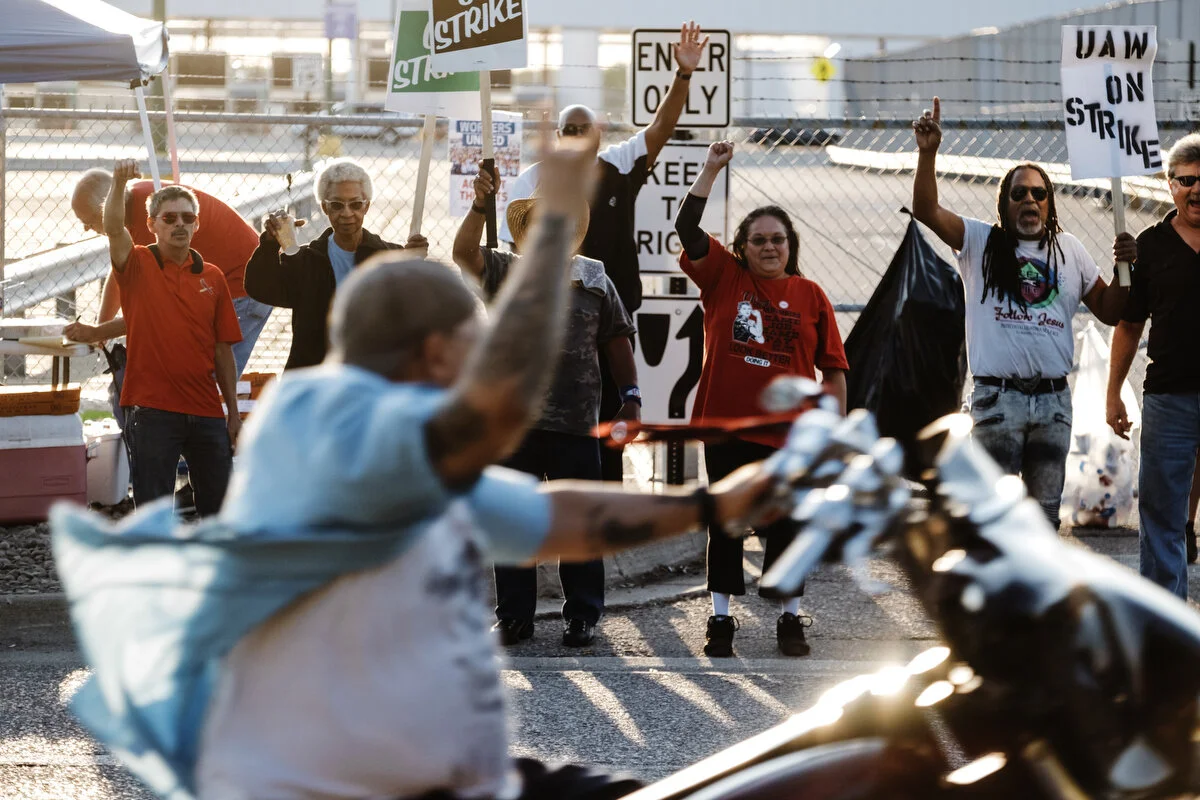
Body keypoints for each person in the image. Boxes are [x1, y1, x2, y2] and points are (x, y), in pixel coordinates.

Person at [50, 131, 777, 800]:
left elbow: (545, 508)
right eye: (466, 340)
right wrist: (711, 504)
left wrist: (708, 505)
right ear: (429, 349)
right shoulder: (349, 423)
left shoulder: (335, 416)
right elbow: (538, 494)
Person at [498, 21, 710, 488]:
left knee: (608, 432)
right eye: (567, 129)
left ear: (598, 132)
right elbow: (513, 248)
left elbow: (661, 127)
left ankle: (602, 505)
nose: (575, 135)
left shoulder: (619, 165)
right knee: (542, 431)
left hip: (609, 325)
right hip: (547, 325)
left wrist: (684, 74)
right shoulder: (532, 180)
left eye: (583, 128)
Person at [912, 96, 1135, 527]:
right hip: (997, 402)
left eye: (1039, 193)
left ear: (1050, 203)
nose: (1030, 200)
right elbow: (926, 210)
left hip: (1053, 404)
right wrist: (928, 154)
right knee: (990, 523)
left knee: (1043, 520)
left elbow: (1110, 311)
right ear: (1005, 203)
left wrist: (1126, 270)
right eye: (1019, 193)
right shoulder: (980, 243)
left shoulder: (1069, 250)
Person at [675, 141, 849, 659]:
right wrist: (710, 169)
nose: (769, 247)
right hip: (726, 428)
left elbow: (834, 369)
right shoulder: (724, 277)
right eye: (758, 240)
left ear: (790, 245)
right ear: (742, 248)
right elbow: (686, 228)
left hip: (789, 435)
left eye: (778, 239)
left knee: (787, 525)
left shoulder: (812, 296)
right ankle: (720, 618)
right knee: (726, 522)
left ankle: (789, 617)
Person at [453, 167, 639, 648]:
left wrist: (631, 398)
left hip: (578, 425)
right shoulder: (503, 271)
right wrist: (478, 205)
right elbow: (462, 254)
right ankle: (515, 616)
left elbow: (617, 338)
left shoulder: (593, 276)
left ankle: (583, 614)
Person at [80, 159, 242, 517]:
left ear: (197, 224)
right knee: (152, 514)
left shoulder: (213, 277)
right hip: (153, 410)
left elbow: (223, 350)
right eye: (169, 218)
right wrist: (119, 183)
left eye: (187, 217)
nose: (179, 224)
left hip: (205, 410)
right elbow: (113, 228)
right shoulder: (137, 264)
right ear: (151, 225)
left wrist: (232, 411)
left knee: (220, 513)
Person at [1107, 133, 1200, 599]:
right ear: (1170, 185)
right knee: (1162, 517)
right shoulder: (1149, 246)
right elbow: (1128, 325)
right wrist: (1113, 394)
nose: (1196, 189)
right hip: (1169, 400)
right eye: (1186, 180)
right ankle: (1166, 623)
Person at [68, 170, 269, 377]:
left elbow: (148, 312)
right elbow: (122, 274)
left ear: (109, 208)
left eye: (89, 221)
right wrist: (102, 328)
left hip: (244, 285)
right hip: (234, 277)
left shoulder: (152, 223)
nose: (86, 228)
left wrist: (98, 332)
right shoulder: (134, 199)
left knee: (205, 379)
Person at [244, 157, 426, 370]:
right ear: (324, 207)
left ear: (366, 206)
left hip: (373, 373)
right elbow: (261, 289)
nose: (347, 213)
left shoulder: (389, 257)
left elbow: (413, 314)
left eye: (355, 204)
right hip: (315, 371)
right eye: (337, 205)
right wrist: (269, 244)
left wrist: (414, 267)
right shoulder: (307, 261)